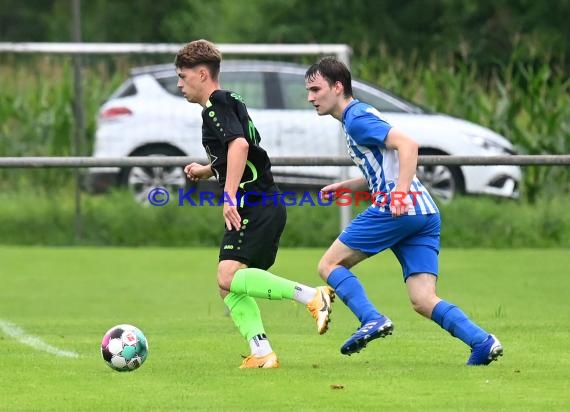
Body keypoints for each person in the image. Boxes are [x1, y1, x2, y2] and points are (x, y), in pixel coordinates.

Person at [304, 56, 503, 366]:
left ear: (338, 86)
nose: (310, 98)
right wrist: (349, 187)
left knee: (329, 265)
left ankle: (371, 318)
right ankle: (482, 342)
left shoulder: (356, 118)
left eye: (316, 89)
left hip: (397, 209)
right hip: (423, 213)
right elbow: (386, 166)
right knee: (423, 299)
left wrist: (398, 194)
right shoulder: (356, 117)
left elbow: (408, 146)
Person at [174, 39, 335, 369]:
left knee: (228, 276)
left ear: (202, 74)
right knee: (228, 284)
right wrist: (208, 170)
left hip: (254, 205)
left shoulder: (214, 107)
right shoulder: (231, 99)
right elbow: (245, 148)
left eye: (183, 76)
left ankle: (311, 296)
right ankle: (262, 352)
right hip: (264, 202)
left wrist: (229, 195)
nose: (179, 84)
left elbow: (240, 145)